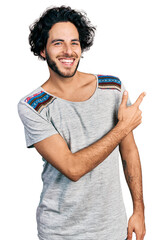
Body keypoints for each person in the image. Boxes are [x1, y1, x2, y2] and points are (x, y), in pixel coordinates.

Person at [17, 5, 146, 240]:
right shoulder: (32, 106)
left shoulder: (113, 88)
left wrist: (139, 210)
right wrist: (123, 127)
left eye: (74, 43)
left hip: (112, 228)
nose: (68, 51)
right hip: (60, 232)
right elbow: (73, 168)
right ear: (43, 50)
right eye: (58, 43)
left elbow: (129, 151)